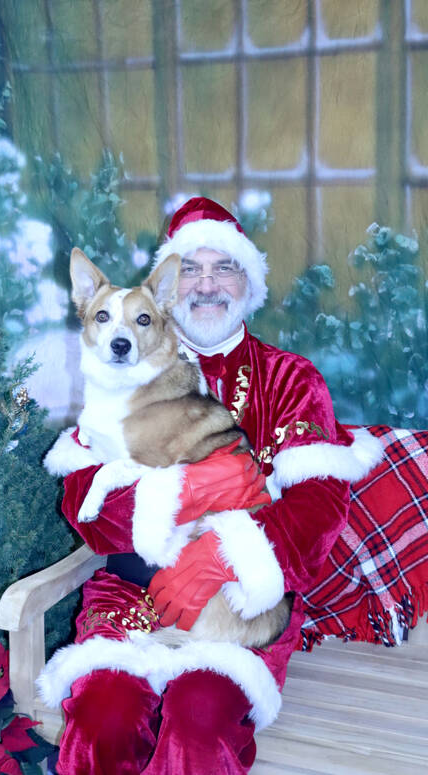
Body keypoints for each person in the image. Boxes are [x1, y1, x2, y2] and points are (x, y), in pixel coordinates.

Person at [39, 196, 383, 775]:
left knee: (199, 721)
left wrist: (224, 554)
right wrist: (190, 489)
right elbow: (83, 509)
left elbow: (321, 513)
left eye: (223, 266)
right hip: (132, 596)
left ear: (248, 281)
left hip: (238, 602)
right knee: (103, 715)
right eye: (189, 267)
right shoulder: (119, 375)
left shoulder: (290, 378)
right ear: (170, 286)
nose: (205, 284)